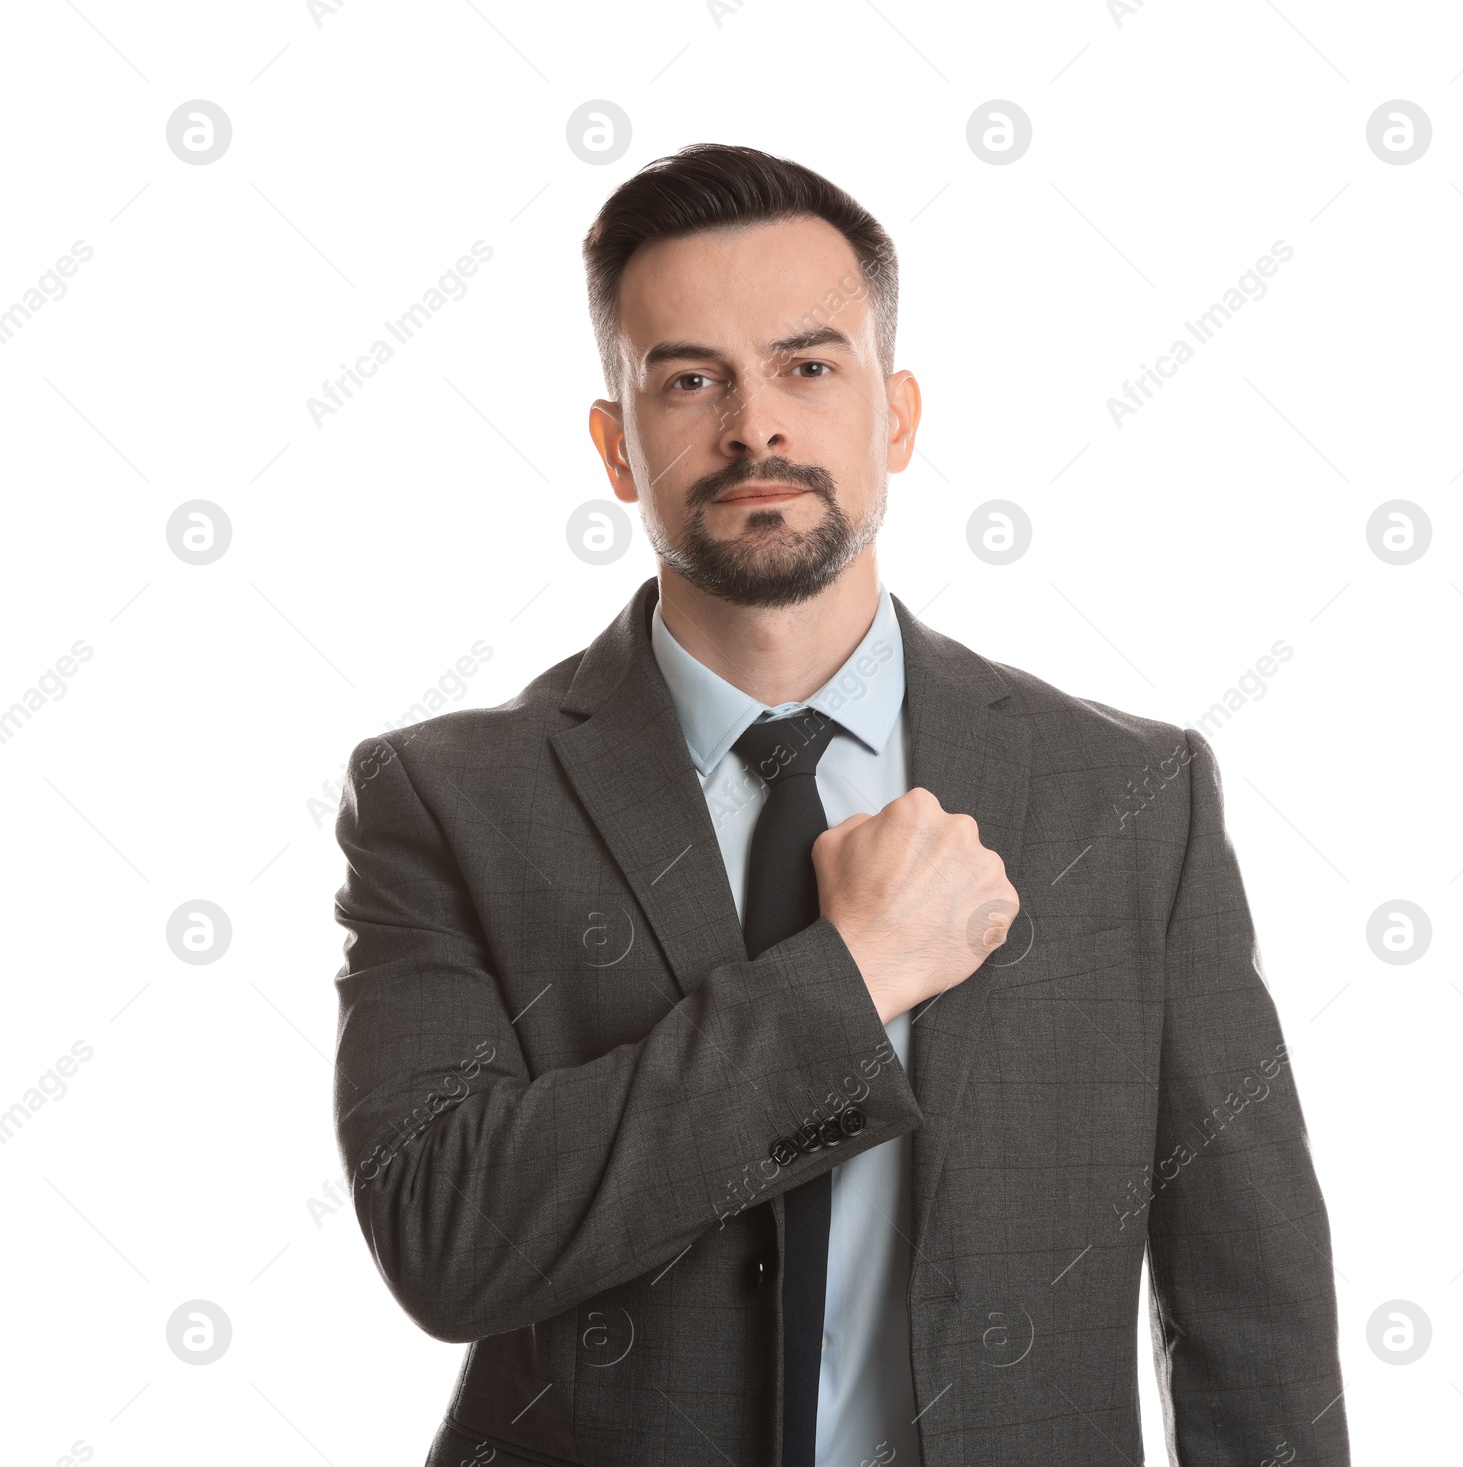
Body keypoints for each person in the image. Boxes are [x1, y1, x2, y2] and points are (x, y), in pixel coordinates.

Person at [332, 143, 1348, 1467]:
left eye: (809, 367)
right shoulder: (448, 800)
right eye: (690, 379)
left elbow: (1249, 1302)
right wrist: (854, 971)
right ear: (616, 446)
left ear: (898, 415)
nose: (757, 425)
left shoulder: (1129, 796)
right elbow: (447, 1238)